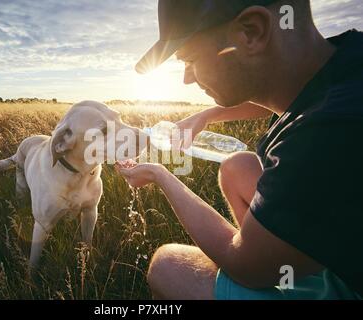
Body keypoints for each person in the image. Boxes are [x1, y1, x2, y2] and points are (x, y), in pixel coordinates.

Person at [115, 0, 363, 300]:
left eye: (189, 59)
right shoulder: (346, 60)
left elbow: (245, 265)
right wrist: (208, 115)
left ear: (251, 31)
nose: (187, 78)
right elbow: (285, 91)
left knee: (167, 267)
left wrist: (160, 175)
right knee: (238, 166)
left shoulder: (327, 132)